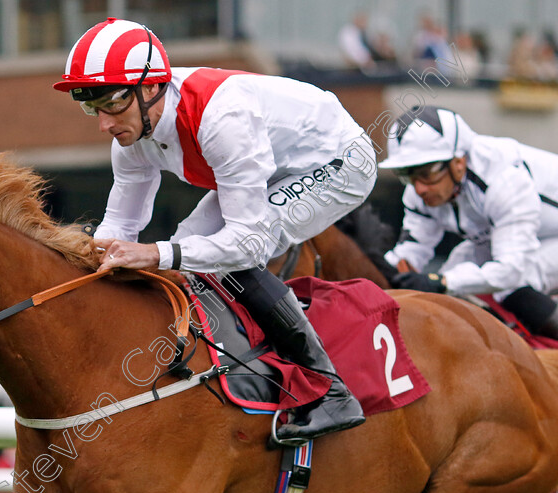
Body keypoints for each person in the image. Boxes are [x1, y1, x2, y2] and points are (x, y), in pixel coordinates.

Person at [53, 18, 377, 445]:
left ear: (151, 87)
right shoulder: (131, 134)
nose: (104, 123)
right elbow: (117, 231)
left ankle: (332, 390)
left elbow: (247, 243)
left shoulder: (221, 119)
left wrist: (153, 254)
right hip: (273, 161)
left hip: (337, 161)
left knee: (225, 255)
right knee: (192, 245)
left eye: (112, 102)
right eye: (91, 106)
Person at [380, 105, 558, 339]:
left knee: (514, 282)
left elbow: (510, 271)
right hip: (513, 234)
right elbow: (409, 255)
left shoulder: (504, 180)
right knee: (448, 282)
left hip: (547, 236)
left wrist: (441, 281)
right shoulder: (419, 190)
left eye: (426, 173)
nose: (419, 187)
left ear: (458, 163)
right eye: (408, 174)